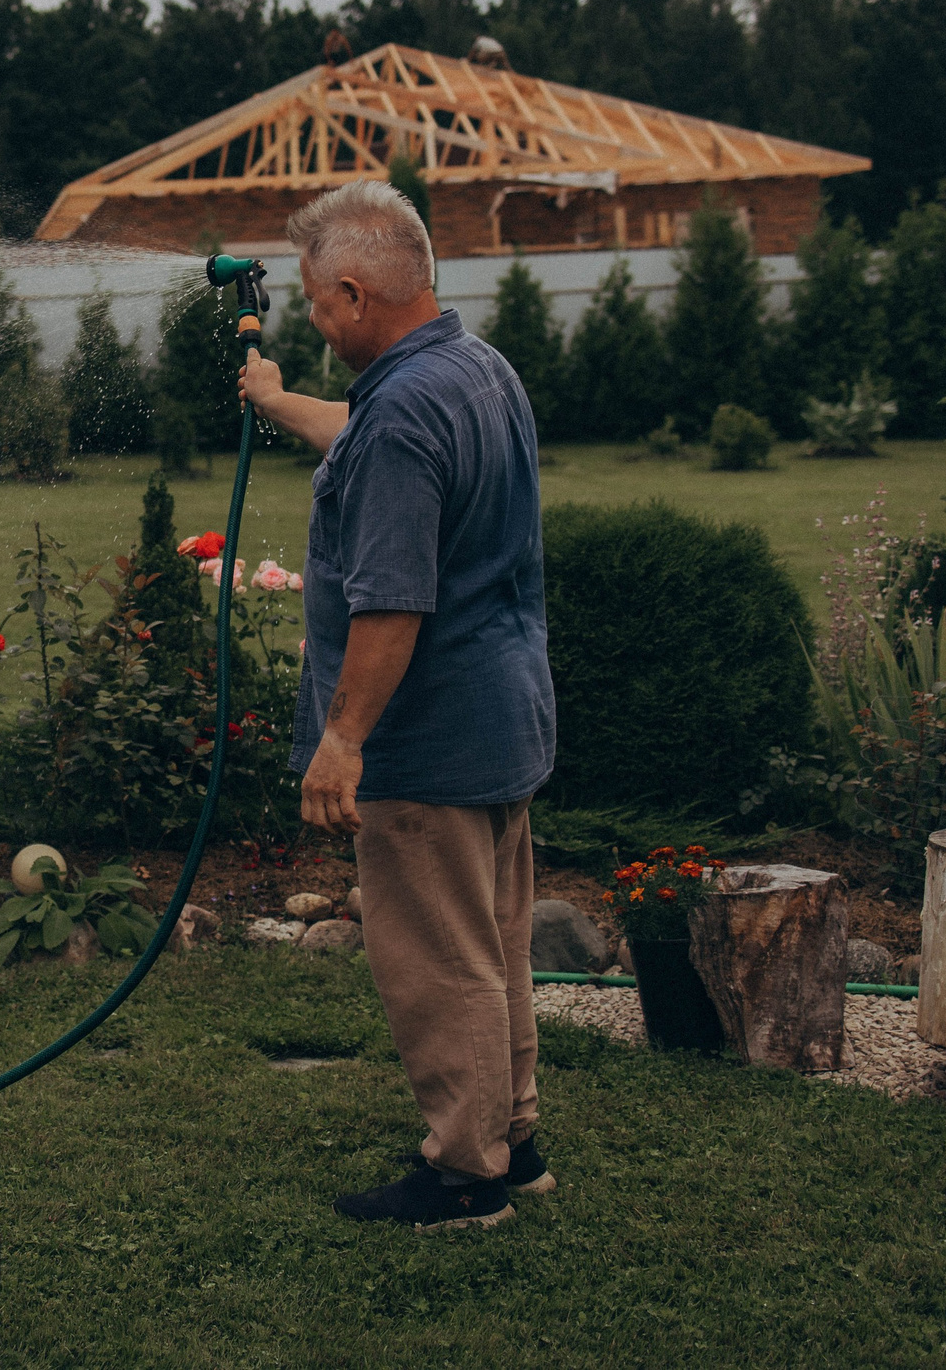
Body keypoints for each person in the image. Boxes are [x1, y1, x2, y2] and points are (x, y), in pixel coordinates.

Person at [238, 179, 557, 1231]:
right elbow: (369, 437)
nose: (314, 320)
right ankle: (512, 1141)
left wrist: (341, 741)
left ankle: (465, 1174)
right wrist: (278, 398)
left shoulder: (403, 414)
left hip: (428, 736)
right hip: (500, 717)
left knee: (437, 960)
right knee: (495, 943)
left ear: (352, 291)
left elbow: (391, 604)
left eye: (315, 303)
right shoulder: (469, 369)